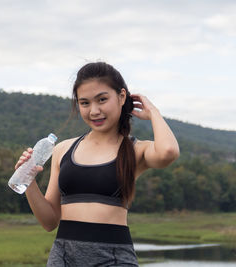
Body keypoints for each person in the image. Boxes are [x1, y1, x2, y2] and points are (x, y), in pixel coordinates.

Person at [14, 62, 180, 266]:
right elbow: (49, 221)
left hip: (113, 258)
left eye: (102, 100)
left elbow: (169, 151)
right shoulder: (63, 150)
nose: (94, 111)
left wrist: (153, 112)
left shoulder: (136, 149)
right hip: (63, 257)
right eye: (84, 103)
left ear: (121, 97)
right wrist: (28, 181)